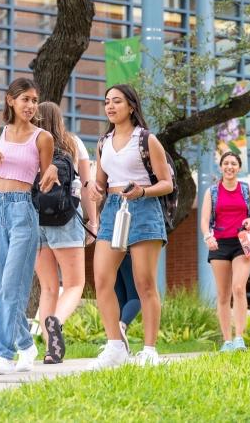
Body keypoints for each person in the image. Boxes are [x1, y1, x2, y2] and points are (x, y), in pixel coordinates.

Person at [90, 84, 175, 369]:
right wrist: (94, 190)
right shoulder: (103, 142)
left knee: (144, 283)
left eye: (116, 101)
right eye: (106, 102)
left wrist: (142, 191)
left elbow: (167, 183)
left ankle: (149, 350)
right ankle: (115, 346)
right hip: (114, 209)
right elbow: (100, 183)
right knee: (102, 279)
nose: (110, 107)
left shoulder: (146, 140)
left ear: (131, 106)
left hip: (144, 208)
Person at [0, 77, 59, 375]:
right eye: (25, 99)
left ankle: (3, 353)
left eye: (34, 100)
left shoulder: (43, 138)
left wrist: (52, 169)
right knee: (4, 286)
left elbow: (47, 177)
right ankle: (27, 345)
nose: (31, 105)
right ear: (10, 100)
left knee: (11, 285)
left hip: (23, 210)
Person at [32, 102, 98, 364]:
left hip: (35, 219)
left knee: (48, 287)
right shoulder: (73, 143)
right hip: (66, 218)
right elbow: (86, 185)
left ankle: (51, 351)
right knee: (74, 284)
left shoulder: (30, 143)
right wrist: (93, 221)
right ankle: (55, 322)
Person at [200, 151, 250, 352]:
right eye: (226, 163)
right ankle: (227, 341)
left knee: (238, 288)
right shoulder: (212, 192)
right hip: (219, 244)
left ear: (239, 167)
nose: (229, 167)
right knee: (222, 295)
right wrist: (207, 236)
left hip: (241, 243)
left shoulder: (248, 189)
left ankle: (239, 339)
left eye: (233, 163)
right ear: (221, 167)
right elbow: (204, 220)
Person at [114, 252, 141, 343]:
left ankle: (119, 344)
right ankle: (122, 324)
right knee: (136, 297)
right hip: (130, 251)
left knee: (121, 302)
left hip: (113, 253)